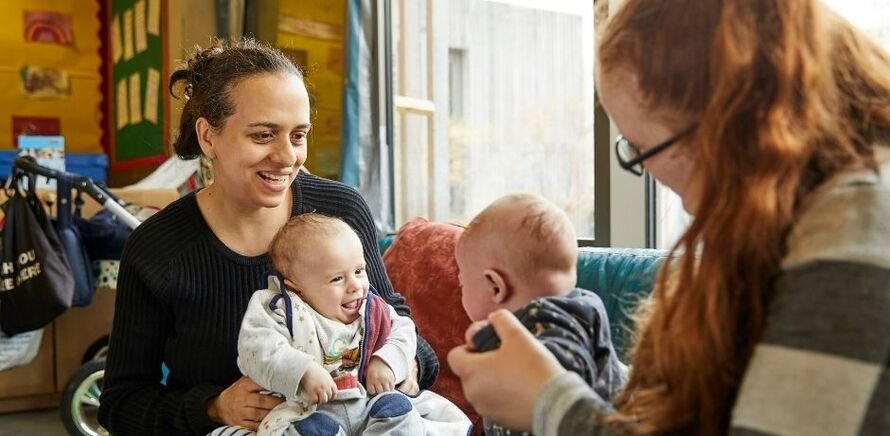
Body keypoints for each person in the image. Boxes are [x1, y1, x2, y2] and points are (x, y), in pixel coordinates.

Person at [447, 0, 890, 434]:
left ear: (722, 120)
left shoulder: (857, 232)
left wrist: (548, 403)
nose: (654, 176)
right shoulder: (797, 225)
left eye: (641, 148)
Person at [98, 38, 439, 435]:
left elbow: (399, 328)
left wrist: (405, 366)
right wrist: (213, 407)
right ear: (208, 137)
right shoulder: (158, 248)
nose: (286, 156)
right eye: (263, 136)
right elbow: (120, 404)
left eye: (298, 135)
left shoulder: (341, 212)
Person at [214, 213, 469, 436]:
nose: (355, 286)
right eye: (337, 278)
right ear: (295, 287)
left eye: (359, 271)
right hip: (304, 411)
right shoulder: (281, 309)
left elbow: (404, 333)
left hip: (369, 405)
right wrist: (303, 372)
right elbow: (257, 348)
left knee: (402, 413)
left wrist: (387, 361)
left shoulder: (372, 308)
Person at [455, 193, 627, 436]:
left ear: (495, 286)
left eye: (461, 283)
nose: (460, 290)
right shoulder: (579, 312)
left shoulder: (550, 326)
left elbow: (553, 378)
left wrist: (487, 345)